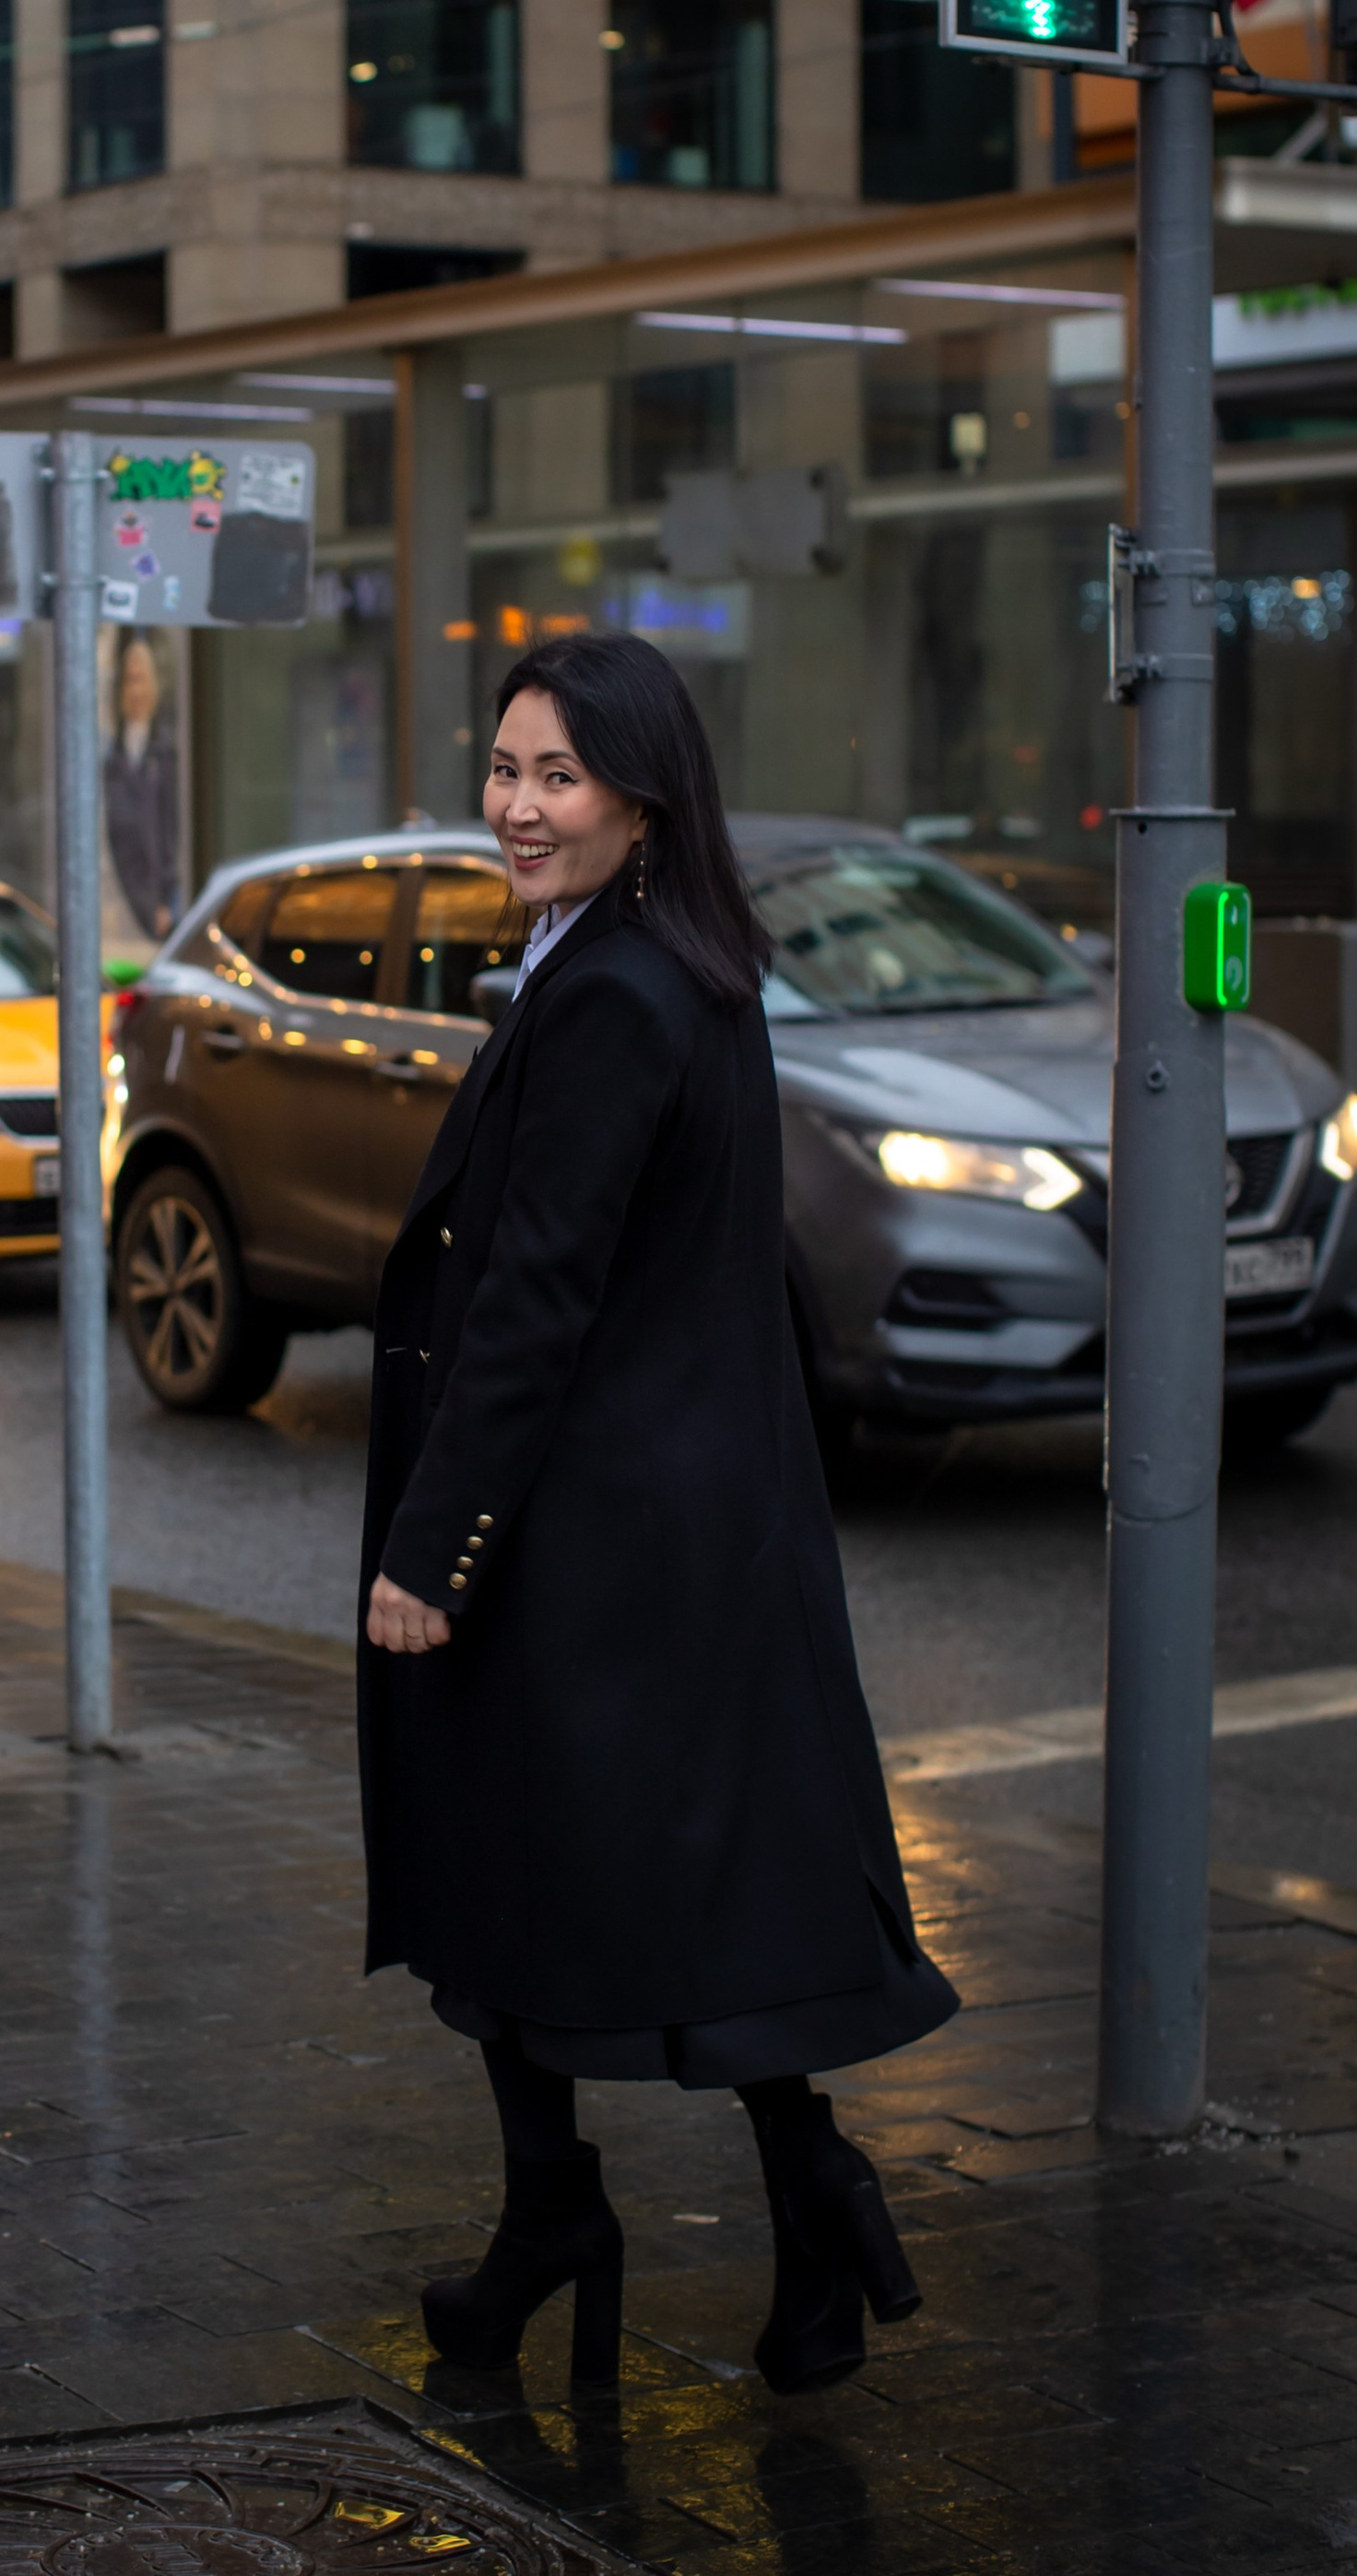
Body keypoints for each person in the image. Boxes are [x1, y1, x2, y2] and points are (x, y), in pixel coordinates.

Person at [358, 630, 956, 2395]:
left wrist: (430, 1547)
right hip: (690, 1516)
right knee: (708, 1874)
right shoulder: (677, 960)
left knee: (500, 1858)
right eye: (505, 767)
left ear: (642, 794)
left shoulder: (616, 993)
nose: (519, 805)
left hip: (582, 1530)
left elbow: (540, 1292)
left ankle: (557, 2218)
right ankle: (803, 2200)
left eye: (559, 775)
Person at [102, 631, 182, 944]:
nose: (135, 689)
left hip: (153, 892)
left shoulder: (164, 752)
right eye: (129, 680)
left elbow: (169, 829)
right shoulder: (114, 755)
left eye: (141, 679)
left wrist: (164, 896)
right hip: (120, 887)